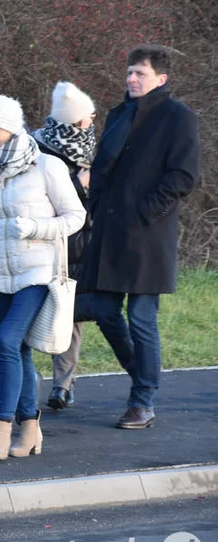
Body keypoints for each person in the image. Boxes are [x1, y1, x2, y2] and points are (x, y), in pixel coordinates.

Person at [0, 95, 85, 461]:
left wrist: (35, 228)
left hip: (38, 273)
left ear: (11, 129)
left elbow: (75, 217)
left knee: (7, 340)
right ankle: (30, 428)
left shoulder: (47, 166)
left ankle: (2, 427)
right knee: (20, 350)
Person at [81, 45, 200, 430]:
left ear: (161, 79)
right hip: (110, 230)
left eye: (141, 74)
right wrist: (95, 205)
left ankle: (142, 400)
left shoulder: (177, 117)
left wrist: (144, 212)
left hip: (148, 235)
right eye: (130, 72)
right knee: (100, 309)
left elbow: (183, 175)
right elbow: (101, 167)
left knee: (142, 317)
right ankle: (142, 371)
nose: (131, 79)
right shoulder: (118, 114)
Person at [31, 82, 98, 410]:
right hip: (41, 238)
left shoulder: (93, 149)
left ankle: (62, 384)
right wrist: (78, 184)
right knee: (28, 310)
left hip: (77, 243)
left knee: (70, 316)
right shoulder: (36, 146)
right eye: (87, 116)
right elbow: (38, 192)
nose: (92, 120)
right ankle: (28, 378)